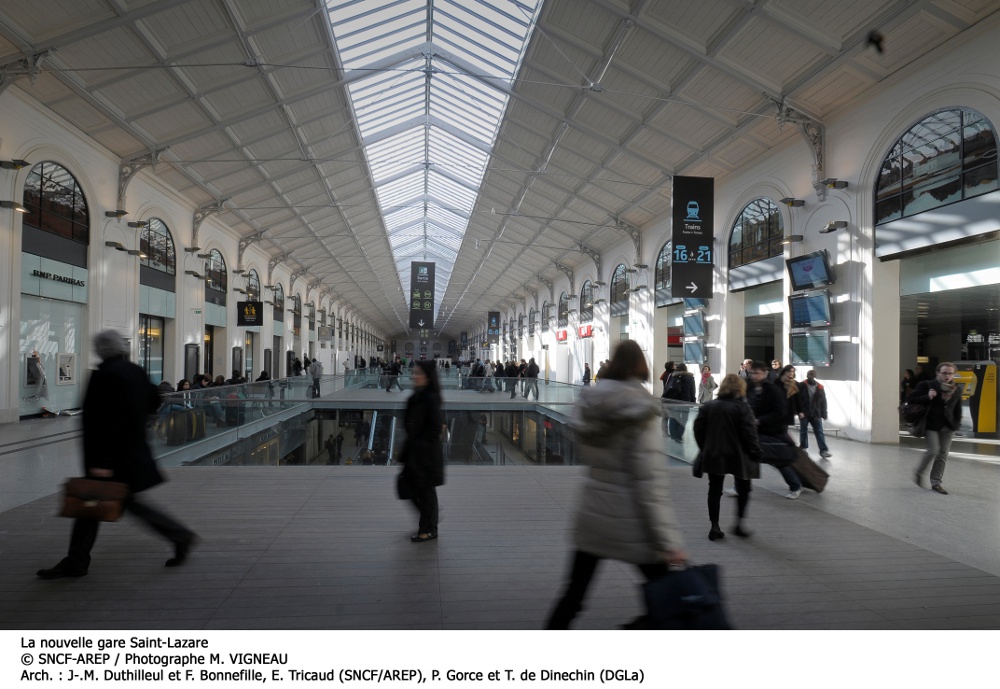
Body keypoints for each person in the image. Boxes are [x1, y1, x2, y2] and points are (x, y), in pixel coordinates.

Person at [545, 340, 687, 629]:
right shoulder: (641, 407)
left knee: (573, 594)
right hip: (632, 519)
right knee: (670, 600)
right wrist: (670, 541)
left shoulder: (590, 400)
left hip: (594, 512)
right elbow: (649, 482)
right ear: (640, 364)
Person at [36, 330, 197, 579]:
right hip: (132, 452)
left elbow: (105, 423)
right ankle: (77, 559)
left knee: (95, 505)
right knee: (98, 506)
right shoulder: (134, 370)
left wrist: (102, 463)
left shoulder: (104, 376)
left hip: (111, 459)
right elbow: (153, 400)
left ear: (100, 350)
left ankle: (179, 536)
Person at [694, 373, 762, 540]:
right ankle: (739, 524)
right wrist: (755, 451)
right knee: (744, 488)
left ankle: (715, 526)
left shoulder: (709, 406)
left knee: (715, 489)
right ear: (741, 388)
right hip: (739, 455)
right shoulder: (743, 407)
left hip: (715, 453)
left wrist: (705, 447)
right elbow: (749, 432)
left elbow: (698, 429)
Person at [397, 361, 445, 542]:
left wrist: (420, 446)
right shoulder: (416, 397)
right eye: (414, 372)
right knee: (412, 489)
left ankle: (427, 530)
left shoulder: (429, 398)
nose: (414, 376)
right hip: (416, 453)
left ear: (426, 376)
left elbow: (434, 427)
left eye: (418, 373)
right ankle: (430, 521)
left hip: (424, 455)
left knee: (425, 492)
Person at [747, 361, 803, 500]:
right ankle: (741, 486)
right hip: (757, 430)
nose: (754, 376)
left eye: (757, 373)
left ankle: (796, 485)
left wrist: (760, 420)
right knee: (747, 456)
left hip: (772, 430)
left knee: (779, 460)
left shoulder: (772, 389)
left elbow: (780, 411)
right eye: (752, 373)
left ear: (764, 373)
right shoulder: (751, 388)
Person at [909, 362, 962, 494]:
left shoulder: (956, 388)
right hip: (931, 424)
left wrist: (957, 423)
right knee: (933, 451)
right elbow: (911, 399)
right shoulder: (926, 385)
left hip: (948, 425)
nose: (947, 375)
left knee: (943, 454)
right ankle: (919, 472)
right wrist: (927, 396)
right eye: (944, 373)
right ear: (938, 373)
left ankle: (936, 483)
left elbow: (957, 408)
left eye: (950, 373)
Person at [798, 370, 831, 458]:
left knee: (819, 432)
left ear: (815, 376)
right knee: (803, 431)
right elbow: (798, 399)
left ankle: (823, 450)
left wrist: (824, 414)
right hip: (805, 413)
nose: (811, 376)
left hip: (816, 413)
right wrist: (799, 411)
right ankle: (803, 448)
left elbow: (823, 402)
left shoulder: (820, 387)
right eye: (809, 374)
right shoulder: (802, 386)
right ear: (807, 375)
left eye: (812, 374)